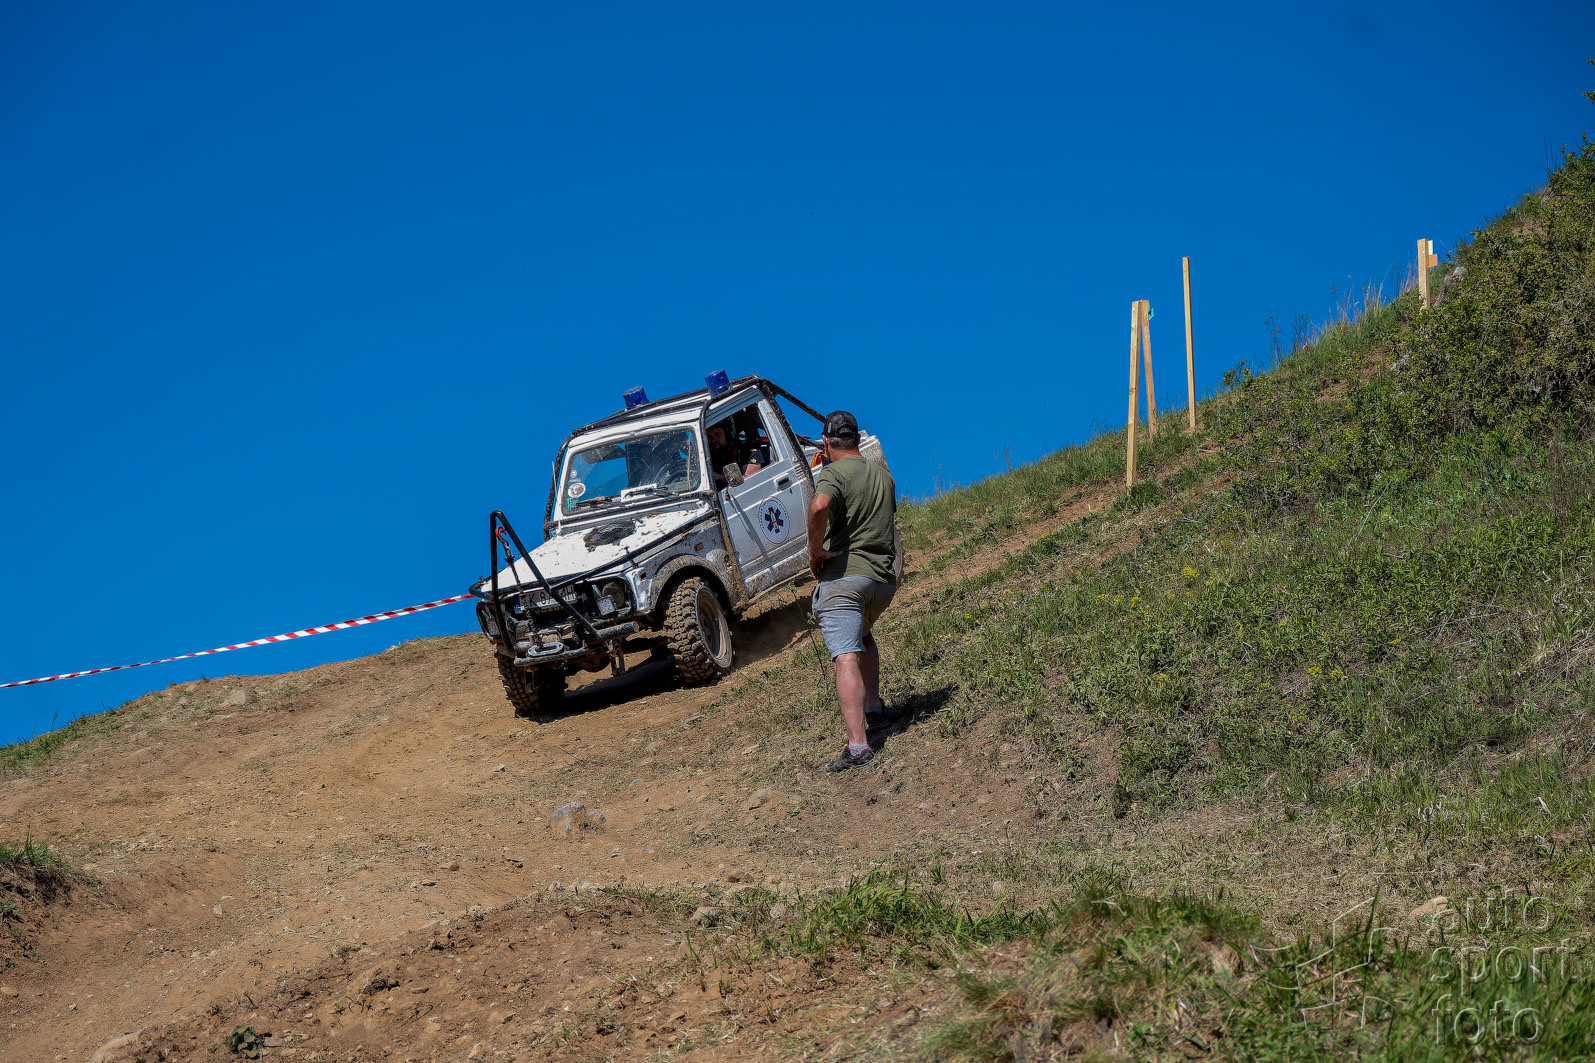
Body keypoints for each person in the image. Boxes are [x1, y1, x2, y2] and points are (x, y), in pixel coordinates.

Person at [805, 410, 898, 772]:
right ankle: (874, 710)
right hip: (882, 581)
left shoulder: (833, 472)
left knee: (845, 656)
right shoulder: (883, 476)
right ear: (857, 439)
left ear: (826, 443)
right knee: (864, 636)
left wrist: (815, 551)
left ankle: (858, 747)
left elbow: (819, 506)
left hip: (845, 580)